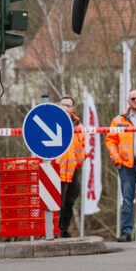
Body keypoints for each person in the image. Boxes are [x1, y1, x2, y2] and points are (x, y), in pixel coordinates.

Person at [105, 89, 136, 242]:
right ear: (128, 101)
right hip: (126, 166)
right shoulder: (118, 120)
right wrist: (117, 160)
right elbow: (110, 140)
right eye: (133, 99)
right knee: (127, 199)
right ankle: (126, 231)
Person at [56, 95, 86, 238]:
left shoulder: (78, 125)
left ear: (73, 108)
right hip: (58, 169)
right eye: (63, 105)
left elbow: (82, 147)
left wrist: (79, 163)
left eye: (68, 105)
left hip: (74, 169)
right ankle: (53, 229)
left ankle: (63, 228)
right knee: (57, 201)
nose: (65, 108)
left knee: (70, 200)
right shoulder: (53, 121)